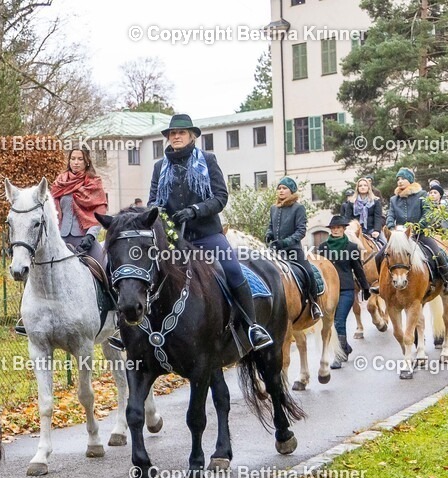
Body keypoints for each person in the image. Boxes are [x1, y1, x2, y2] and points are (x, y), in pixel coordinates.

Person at [141, 113, 273, 351]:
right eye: (173, 133)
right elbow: (153, 201)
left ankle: (252, 326)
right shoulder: (159, 167)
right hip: (173, 239)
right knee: (146, 270)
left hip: (207, 235)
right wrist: (160, 215)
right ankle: (137, 329)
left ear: (191, 136)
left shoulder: (208, 160)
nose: (176, 136)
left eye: (181, 133)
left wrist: (195, 210)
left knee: (232, 269)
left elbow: (221, 197)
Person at [15, 147, 108, 335]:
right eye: (72, 158)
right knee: (34, 269)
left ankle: (116, 311)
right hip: (60, 239)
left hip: (85, 238)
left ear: (86, 161)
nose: (75, 162)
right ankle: (26, 318)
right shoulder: (60, 183)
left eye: (79, 159)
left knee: (105, 267)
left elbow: (100, 213)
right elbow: (49, 214)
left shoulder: (94, 183)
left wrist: (91, 236)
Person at [317, 215, 370, 369]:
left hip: (346, 289)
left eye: (339, 228)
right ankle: (345, 348)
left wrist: (365, 287)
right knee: (332, 322)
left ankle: (339, 355)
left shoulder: (351, 248)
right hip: (328, 290)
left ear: (344, 229)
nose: (336, 230)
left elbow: (358, 269)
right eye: (333, 228)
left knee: (339, 321)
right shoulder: (322, 248)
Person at [266, 176, 321, 318]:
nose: (281, 191)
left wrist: (284, 242)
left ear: (292, 191)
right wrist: (269, 234)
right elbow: (270, 227)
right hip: (275, 251)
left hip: (293, 250)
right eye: (279, 188)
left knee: (309, 273)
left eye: (284, 188)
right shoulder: (273, 208)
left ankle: (315, 304)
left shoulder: (298, 208)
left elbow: (301, 231)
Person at [385, 168, 448, 288]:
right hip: (399, 236)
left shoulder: (422, 195)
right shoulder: (393, 199)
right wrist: (391, 227)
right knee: (380, 256)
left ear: (410, 180)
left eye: (403, 178)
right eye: (398, 179)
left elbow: (427, 213)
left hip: (420, 234)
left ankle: (446, 280)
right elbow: (390, 215)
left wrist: (418, 226)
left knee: (438, 253)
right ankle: (380, 283)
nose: (400, 181)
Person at [341, 176, 384, 245]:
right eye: (360, 185)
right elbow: (347, 218)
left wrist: (377, 230)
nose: (362, 187)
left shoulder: (376, 201)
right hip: (355, 230)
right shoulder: (351, 202)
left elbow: (378, 217)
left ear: (368, 187)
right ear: (357, 188)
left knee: (385, 243)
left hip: (371, 229)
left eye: (365, 185)